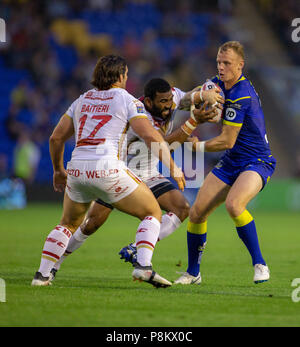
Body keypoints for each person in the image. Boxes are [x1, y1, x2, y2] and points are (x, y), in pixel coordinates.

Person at [31, 55, 187, 288]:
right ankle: (143, 267)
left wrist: (57, 170)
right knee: (152, 212)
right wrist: (173, 167)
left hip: (77, 168)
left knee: (68, 223)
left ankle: (42, 276)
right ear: (121, 76)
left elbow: (56, 137)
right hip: (107, 167)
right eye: (126, 74)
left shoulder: (81, 100)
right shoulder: (127, 99)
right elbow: (150, 134)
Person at [49, 77, 224, 280]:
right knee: (91, 224)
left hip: (148, 172)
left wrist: (205, 93)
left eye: (169, 101)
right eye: (163, 102)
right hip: (121, 172)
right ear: (148, 102)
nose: (168, 106)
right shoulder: (139, 114)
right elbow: (163, 146)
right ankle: (54, 264)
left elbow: (185, 98)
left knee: (181, 207)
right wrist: (194, 121)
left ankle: (137, 249)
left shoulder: (171, 98)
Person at [174, 41, 276, 285]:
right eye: (219, 62)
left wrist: (195, 146)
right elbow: (184, 100)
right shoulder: (216, 84)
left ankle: (260, 264)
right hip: (232, 162)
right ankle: (193, 273)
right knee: (197, 213)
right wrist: (198, 96)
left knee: (234, 205)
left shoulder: (242, 94)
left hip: (257, 160)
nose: (221, 67)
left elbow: (228, 140)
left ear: (240, 65)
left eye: (227, 63)